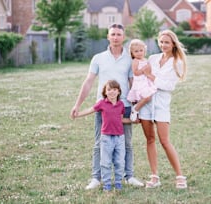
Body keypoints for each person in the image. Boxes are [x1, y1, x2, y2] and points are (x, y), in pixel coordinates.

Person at [70, 23, 144, 189]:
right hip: (103, 108)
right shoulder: (98, 58)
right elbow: (88, 82)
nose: (116, 37)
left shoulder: (130, 59)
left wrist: (136, 108)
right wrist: (77, 105)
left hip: (123, 106)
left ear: (123, 37)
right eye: (113, 34)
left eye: (119, 34)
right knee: (99, 143)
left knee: (127, 144)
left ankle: (129, 176)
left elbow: (133, 84)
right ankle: (96, 178)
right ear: (108, 37)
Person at [139, 29, 188, 189]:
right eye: (161, 42)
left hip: (161, 104)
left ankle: (180, 176)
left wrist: (150, 76)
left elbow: (168, 85)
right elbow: (140, 74)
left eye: (166, 42)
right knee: (150, 139)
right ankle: (154, 177)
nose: (163, 45)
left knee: (164, 141)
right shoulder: (153, 58)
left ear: (173, 43)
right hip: (146, 102)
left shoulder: (177, 62)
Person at [73, 80, 129, 192]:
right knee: (105, 162)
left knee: (119, 161)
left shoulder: (121, 105)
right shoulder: (102, 103)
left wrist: (134, 120)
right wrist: (78, 114)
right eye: (109, 90)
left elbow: (121, 119)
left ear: (118, 92)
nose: (112, 92)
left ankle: (118, 183)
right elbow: (91, 110)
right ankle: (107, 184)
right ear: (105, 92)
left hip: (119, 138)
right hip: (106, 138)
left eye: (114, 90)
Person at [127, 39, 157, 121]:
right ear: (132, 53)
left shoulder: (146, 60)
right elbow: (135, 72)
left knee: (149, 97)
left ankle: (141, 110)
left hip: (146, 81)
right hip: (139, 82)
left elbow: (149, 70)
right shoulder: (135, 61)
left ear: (144, 50)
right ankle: (135, 109)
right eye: (136, 51)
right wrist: (143, 69)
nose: (139, 53)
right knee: (147, 97)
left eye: (141, 50)